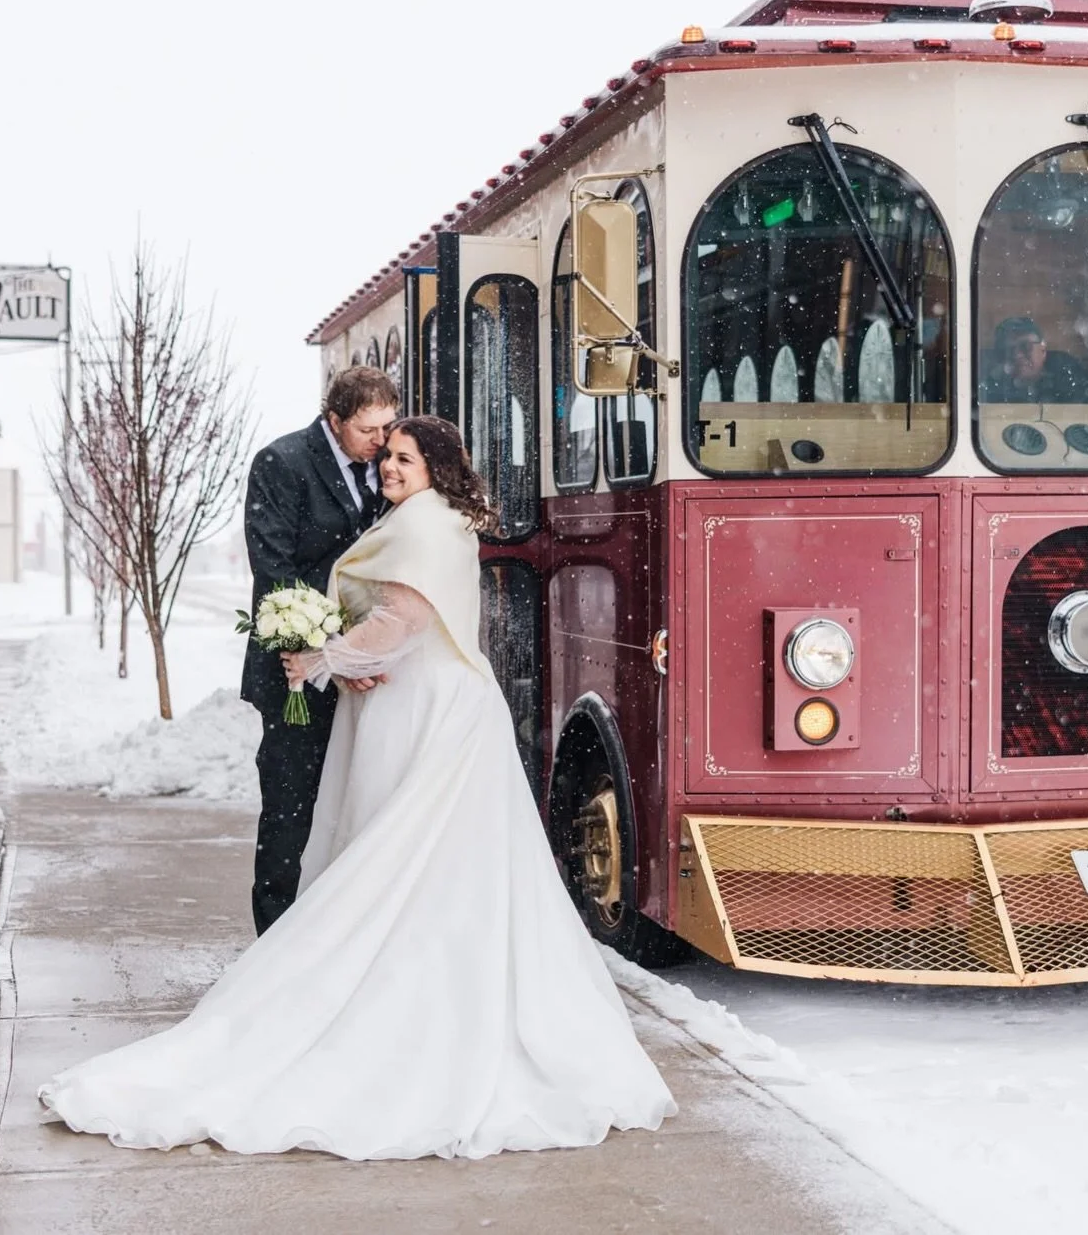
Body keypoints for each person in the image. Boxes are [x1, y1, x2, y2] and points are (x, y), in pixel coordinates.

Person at [38, 415, 676, 1161]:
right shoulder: (430, 519)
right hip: (416, 701)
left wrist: (320, 658)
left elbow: (403, 618)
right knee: (431, 871)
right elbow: (395, 620)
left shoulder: (427, 527)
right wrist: (343, 651)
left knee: (404, 863)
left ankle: (406, 1015)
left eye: (404, 458)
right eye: (386, 459)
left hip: (431, 712)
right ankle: (431, 1006)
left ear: (436, 464)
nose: (390, 470)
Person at [239, 366, 396, 935]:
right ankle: (275, 939)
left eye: (387, 427)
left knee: (353, 806)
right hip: (295, 673)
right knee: (290, 809)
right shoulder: (282, 463)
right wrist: (328, 655)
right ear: (335, 421)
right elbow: (275, 572)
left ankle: (341, 934)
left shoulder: (389, 465)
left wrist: (363, 652)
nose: (381, 441)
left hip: (368, 667)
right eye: (367, 430)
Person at [982, 316, 1088, 403]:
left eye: (1026, 346)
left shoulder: (1071, 376)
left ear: (1043, 350)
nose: (1017, 355)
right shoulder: (989, 387)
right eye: (1009, 349)